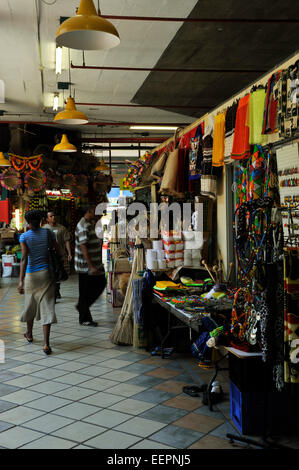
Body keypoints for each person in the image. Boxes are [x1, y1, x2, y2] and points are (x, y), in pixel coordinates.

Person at [18, 210, 60, 355]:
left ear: (27, 222)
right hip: (46, 274)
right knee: (47, 307)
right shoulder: (49, 234)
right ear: (42, 221)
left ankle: (29, 334)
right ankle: (46, 344)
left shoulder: (24, 236)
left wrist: (20, 281)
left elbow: (23, 259)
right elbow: (58, 250)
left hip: (31, 276)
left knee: (30, 304)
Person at [74, 205, 106, 326]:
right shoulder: (83, 226)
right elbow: (83, 247)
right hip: (85, 266)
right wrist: (91, 266)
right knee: (89, 289)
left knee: (97, 285)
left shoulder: (91, 223)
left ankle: (83, 310)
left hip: (95, 264)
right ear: (89, 211)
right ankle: (84, 314)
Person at [43, 211, 72, 300]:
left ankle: (57, 289)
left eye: (54, 215)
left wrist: (69, 253)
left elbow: (66, 241)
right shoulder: (44, 229)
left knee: (59, 272)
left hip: (60, 254)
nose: (53, 217)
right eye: (51, 216)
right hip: (49, 255)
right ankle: (55, 291)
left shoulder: (62, 228)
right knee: (51, 273)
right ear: (47, 219)